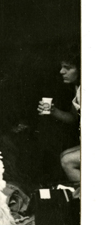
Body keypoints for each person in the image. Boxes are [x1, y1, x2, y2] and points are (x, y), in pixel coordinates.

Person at [38, 46, 81, 193]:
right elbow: (73, 118)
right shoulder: (78, 89)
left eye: (67, 68)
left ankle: (87, 200)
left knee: (67, 161)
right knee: (64, 155)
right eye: (62, 67)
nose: (61, 71)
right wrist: (53, 111)